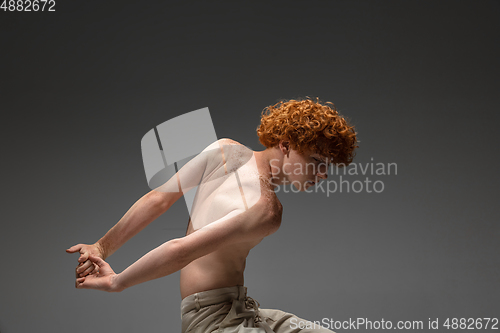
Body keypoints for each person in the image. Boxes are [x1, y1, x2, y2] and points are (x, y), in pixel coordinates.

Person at [67, 97, 358, 333]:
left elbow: (158, 199)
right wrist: (117, 282)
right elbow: (180, 250)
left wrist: (101, 247)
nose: (323, 174)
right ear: (286, 145)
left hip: (242, 310)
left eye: (328, 166)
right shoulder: (267, 211)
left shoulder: (226, 150)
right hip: (213, 323)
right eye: (317, 161)